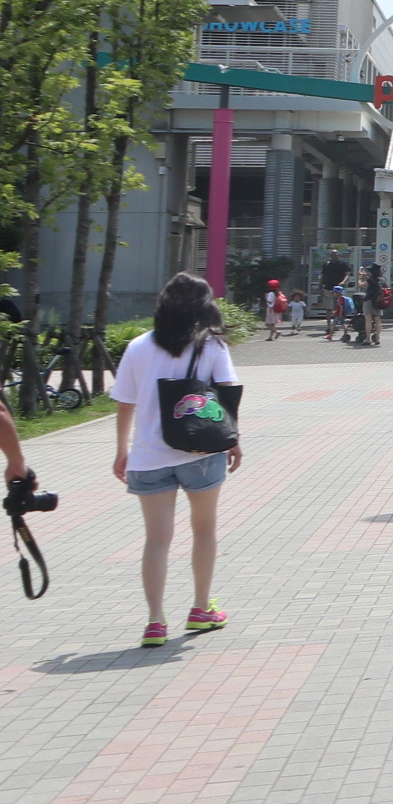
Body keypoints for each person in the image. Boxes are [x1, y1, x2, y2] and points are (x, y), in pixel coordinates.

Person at [111, 272, 243, 649]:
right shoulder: (212, 346)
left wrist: (122, 449)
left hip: (149, 454)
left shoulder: (138, 346)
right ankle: (201, 608)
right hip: (201, 451)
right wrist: (233, 439)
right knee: (204, 529)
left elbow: (125, 402)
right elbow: (228, 394)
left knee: (156, 539)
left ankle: (155, 622)